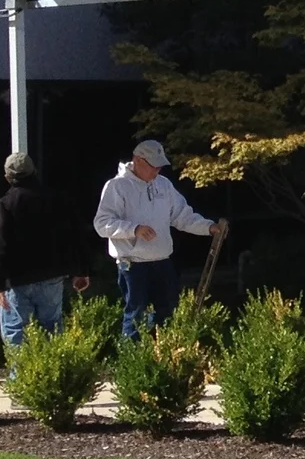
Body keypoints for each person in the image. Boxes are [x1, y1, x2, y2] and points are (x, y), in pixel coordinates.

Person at [94, 139, 224, 338]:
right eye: (153, 167)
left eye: (160, 167)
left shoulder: (163, 185)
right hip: (132, 263)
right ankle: (133, 362)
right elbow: (102, 223)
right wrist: (134, 229)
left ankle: (163, 356)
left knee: (167, 311)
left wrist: (208, 227)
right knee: (136, 314)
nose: (157, 172)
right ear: (138, 161)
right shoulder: (117, 186)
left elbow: (182, 216)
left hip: (162, 261)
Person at [0, 151, 92, 348]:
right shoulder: (58, 199)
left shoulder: (5, 205)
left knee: (16, 333)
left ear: (8, 177)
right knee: (52, 330)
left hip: (17, 281)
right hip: (52, 277)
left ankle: (21, 378)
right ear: (34, 172)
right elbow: (76, 235)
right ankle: (50, 376)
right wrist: (82, 270)